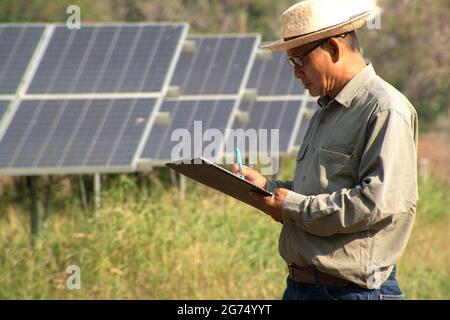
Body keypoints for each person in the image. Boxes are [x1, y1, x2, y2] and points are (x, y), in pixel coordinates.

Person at [233, 0, 418, 300]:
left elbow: (374, 204)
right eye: (291, 63)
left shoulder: (384, 109)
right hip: (302, 288)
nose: (296, 73)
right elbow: (320, 191)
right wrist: (269, 188)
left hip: (353, 293)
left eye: (300, 61)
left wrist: (290, 206)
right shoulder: (325, 112)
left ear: (333, 48)